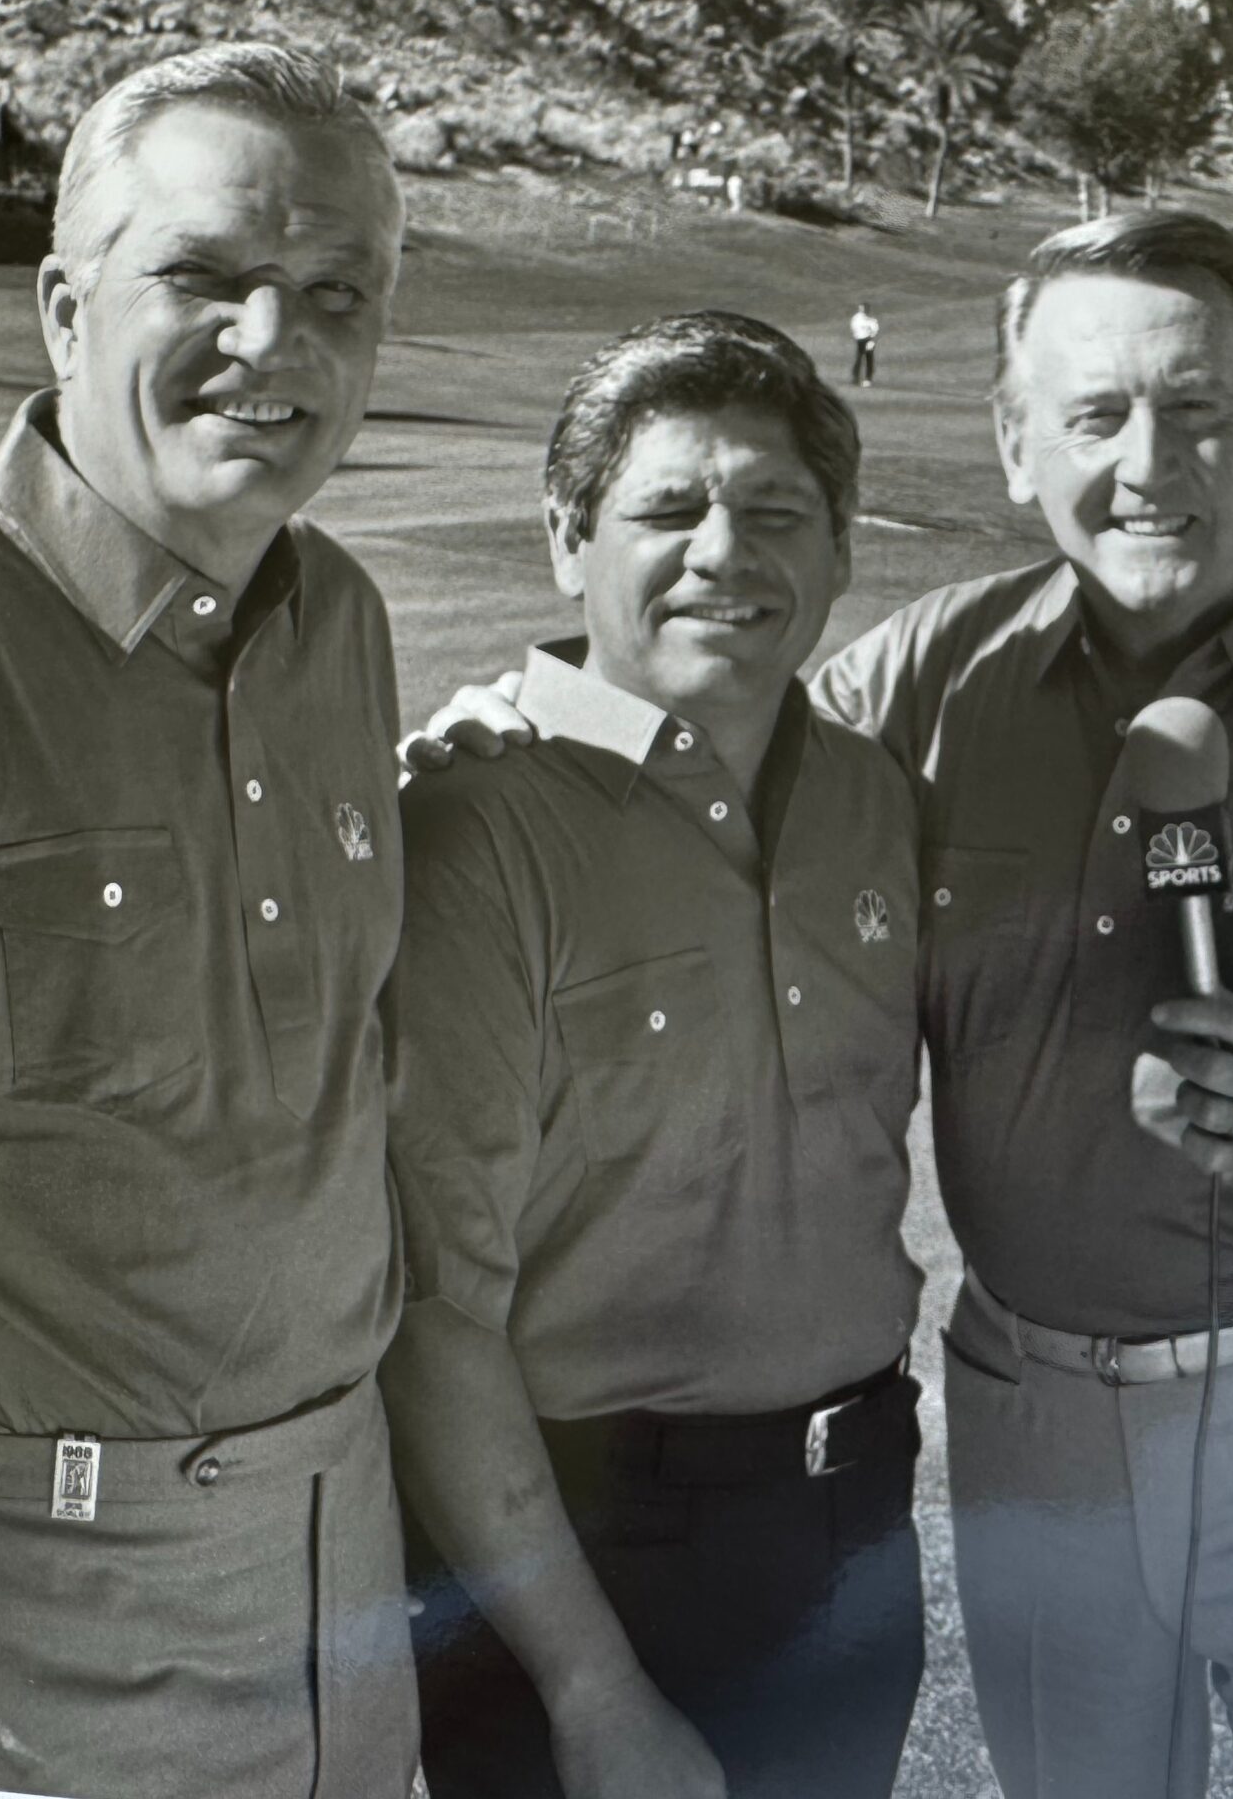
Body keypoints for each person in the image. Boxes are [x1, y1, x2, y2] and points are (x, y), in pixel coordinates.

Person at [410, 208, 1233, 1799]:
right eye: (1094, 415)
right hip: (1029, 1413)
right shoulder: (929, 681)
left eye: (1202, 408)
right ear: (1017, 446)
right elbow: (702, 719)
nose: (1152, 461)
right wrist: (511, 714)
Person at [383, 315, 926, 1798]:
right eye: (669, 509)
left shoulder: (877, 798)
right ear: (567, 537)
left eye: (774, 513)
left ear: (839, 549)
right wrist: (591, 1689)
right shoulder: (475, 824)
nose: (724, 554)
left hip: (854, 1518)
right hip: (579, 1548)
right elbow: (438, 1319)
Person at [0, 43, 419, 1797]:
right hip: (48, 1617)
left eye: (335, 292)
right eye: (208, 276)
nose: (275, 343)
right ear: (64, 303)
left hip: (345, 1566)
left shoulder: (343, 621)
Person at [849, 298, 880, 387]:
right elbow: (855, 329)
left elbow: (875, 331)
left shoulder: (872, 320)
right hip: (860, 340)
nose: (862, 310)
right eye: (861, 309)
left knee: (869, 360)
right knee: (858, 359)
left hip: (869, 340)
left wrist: (872, 341)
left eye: (863, 309)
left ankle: (868, 379)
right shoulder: (856, 318)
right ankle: (855, 378)